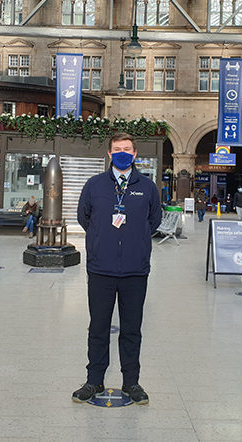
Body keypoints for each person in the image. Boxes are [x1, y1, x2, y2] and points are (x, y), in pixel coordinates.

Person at [73, 132, 162, 405]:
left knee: (131, 329)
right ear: (109, 154)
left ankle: (131, 382)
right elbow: (84, 217)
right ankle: (94, 380)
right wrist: (103, 241)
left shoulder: (147, 187)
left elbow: (154, 220)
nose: (122, 153)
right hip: (101, 269)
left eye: (127, 149)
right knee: (98, 327)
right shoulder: (94, 185)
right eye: (116, 149)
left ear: (135, 154)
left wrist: (135, 240)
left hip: (135, 270)